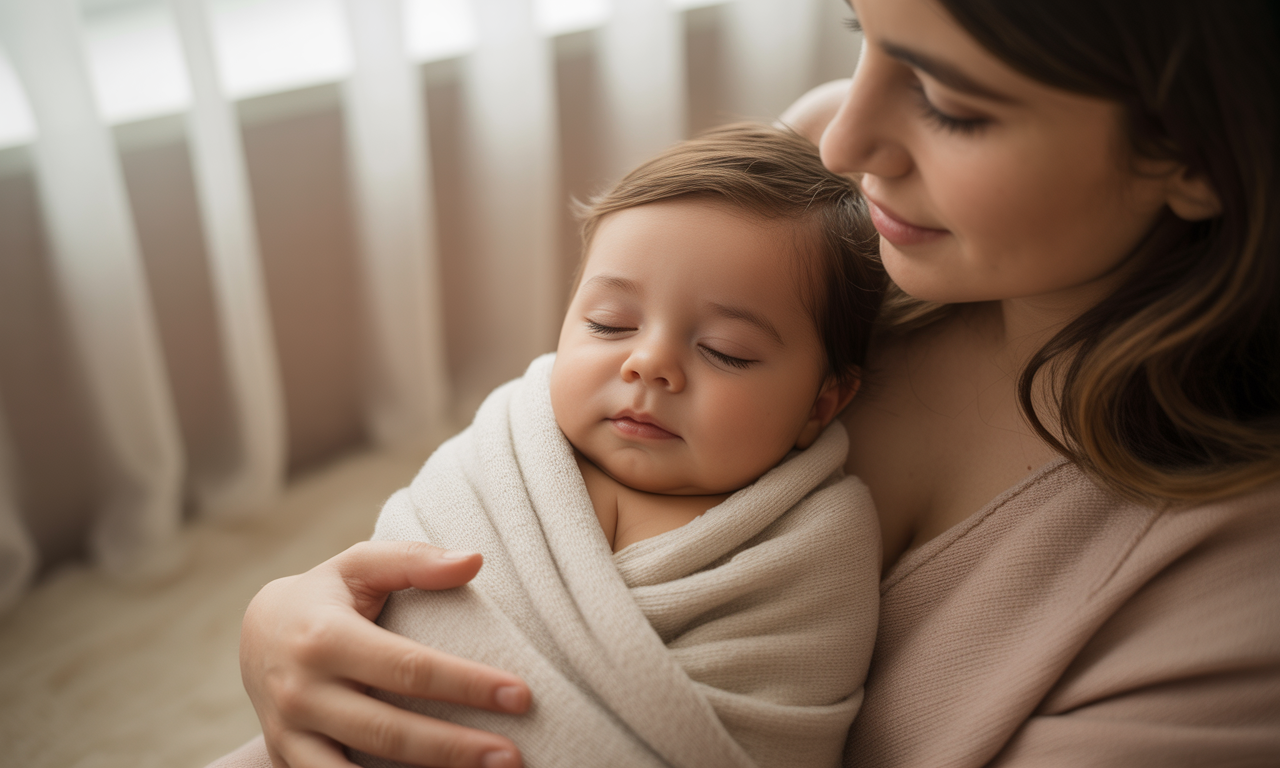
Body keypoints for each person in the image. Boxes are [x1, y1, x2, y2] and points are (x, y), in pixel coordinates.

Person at [229, 1, 1280, 766]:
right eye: (856, 32)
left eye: (951, 104)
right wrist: (305, 616)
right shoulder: (824, 202)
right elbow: (530, 489)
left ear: (1196, 152)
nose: (844, 137)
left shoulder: (1235, 606)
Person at [338, 124, 883, 768]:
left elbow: (773, 733)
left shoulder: (814, 545)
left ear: (820, 403)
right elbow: (379, 593)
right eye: (609, 324)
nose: (649, 365)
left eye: (724, 352)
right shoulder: (503, 448)